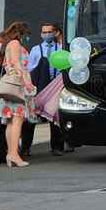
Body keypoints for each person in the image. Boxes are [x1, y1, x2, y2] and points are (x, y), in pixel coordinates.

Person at [22, 22, 64, 157]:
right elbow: (30, 70)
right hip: (39, 87)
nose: (47, 34)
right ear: (41, 34)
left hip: (55, 86)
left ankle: (57, 147)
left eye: (49, 32)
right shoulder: (35, 49)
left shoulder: (61, 48)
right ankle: (26, 147)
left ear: (54, 33)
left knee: (55, 117)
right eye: (44, 32)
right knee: (32, 118)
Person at [0, 20, 36, 167]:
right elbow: (16, 63)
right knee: (17, 120)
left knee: (10, 121)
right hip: (17, 85)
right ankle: (14, 154)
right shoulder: (15, 44)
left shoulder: (8, 45)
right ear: (21, 33)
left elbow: (7, 64)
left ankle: (10, 153)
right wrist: (26, 82)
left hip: (9, 85)